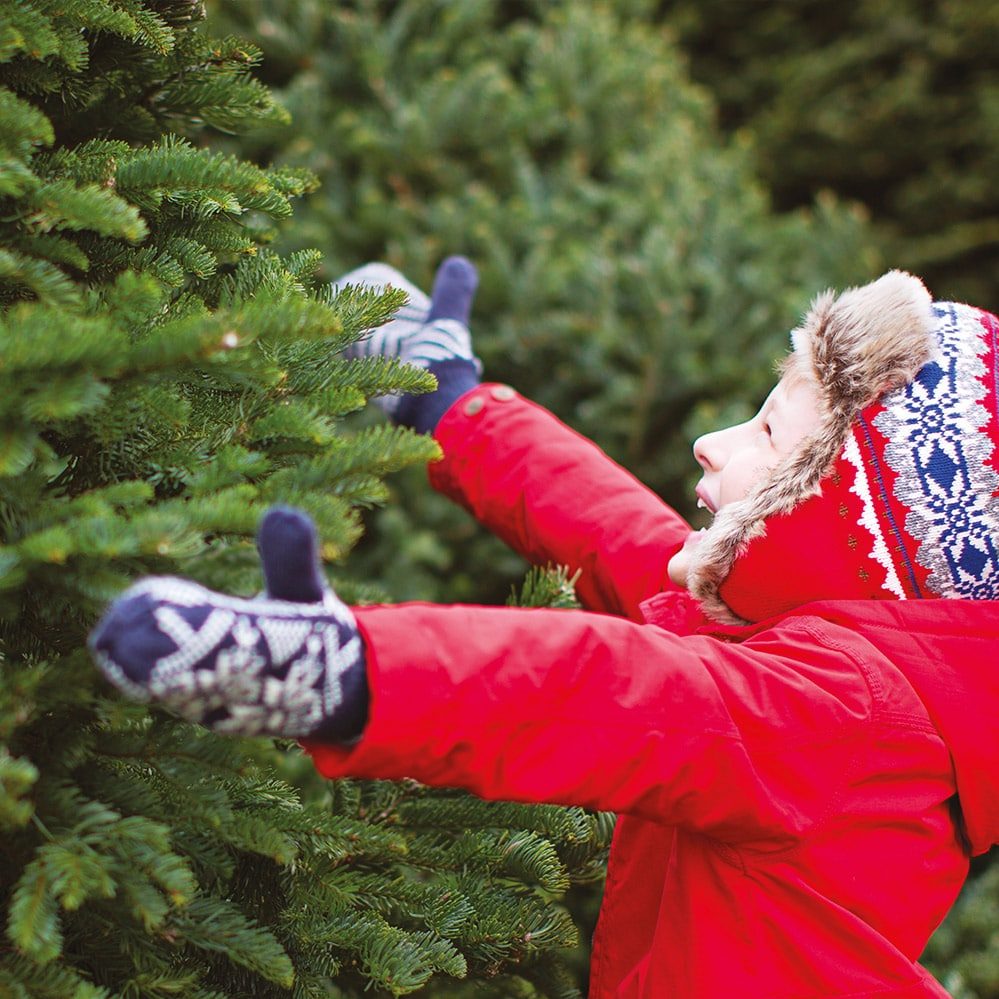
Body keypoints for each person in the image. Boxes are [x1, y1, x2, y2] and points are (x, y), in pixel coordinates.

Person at [89, 257, 999, 998]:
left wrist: (348, 673)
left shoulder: (840, 709)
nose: (713, 442)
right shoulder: (810, 649)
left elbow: (601, 688)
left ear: (843, 523)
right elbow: (614, 532)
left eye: (766, 430)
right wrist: (449, 403)